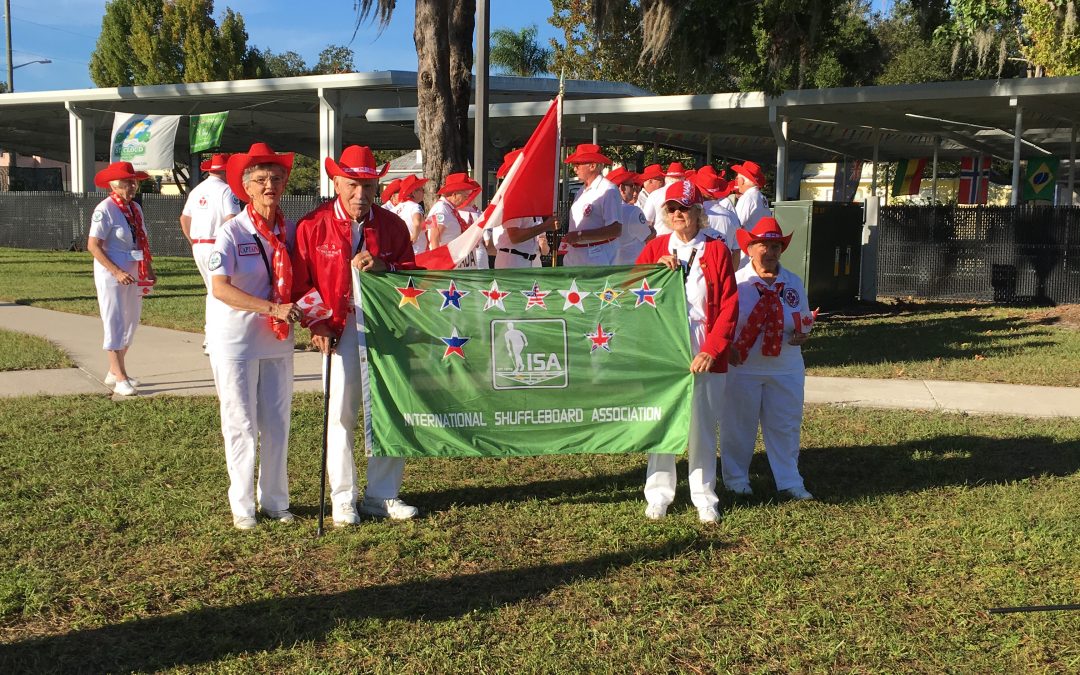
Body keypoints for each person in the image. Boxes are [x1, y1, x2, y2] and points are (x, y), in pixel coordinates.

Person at [292, 145, 419, 526]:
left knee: (391, 409)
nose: (360, 194)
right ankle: (343, 498)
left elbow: (413, 277)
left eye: (367, 185)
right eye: (352, 185)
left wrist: (385, 265)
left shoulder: (392, 225)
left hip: (388, 330)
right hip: (339, 330)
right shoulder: (312, 226)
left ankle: (382, 495)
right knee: (341, 415)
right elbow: (300, 283)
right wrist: (317, 324)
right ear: (336, 182)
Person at [206, 142, 299, 530]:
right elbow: (220, 288)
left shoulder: (290, 230)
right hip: (237, 343)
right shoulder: (231, 232)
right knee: (241, 424)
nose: (269, 186)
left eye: (276, 179)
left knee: (277, 422)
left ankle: (276, 502)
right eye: (260, 179)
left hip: (278, 341)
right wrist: (271, 308)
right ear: (246, 187)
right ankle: (242, 507)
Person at [635, 180, 739, 523]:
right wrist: (651, 271)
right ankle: (659, 494)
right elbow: (628, 288)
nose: (678, 214)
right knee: (664, 421)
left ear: (698, 212)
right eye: (671, 209)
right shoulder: (655, 248)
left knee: (703, 425)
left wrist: (712, 349)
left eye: (684, 208)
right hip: (665, 345)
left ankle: (704, 495)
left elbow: (728, 306)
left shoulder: (716, 250)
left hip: (702, 342)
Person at [721, 217, 814, 501]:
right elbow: (722, 322)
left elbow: (803, 318)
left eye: (776, 246)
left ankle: (789, 480)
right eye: (764, 245)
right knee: (738, 425)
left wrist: (804, 333)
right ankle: (736, 480)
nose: (771, 252)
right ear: (749, 248)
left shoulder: (793, 282)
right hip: (743, 367)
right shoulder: (736, 283)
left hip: (785, 366)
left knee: (785, 424)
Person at [86, 161, 155, 397]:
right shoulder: (104, 209)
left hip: (133, 270)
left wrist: (148, 268)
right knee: (114, 320)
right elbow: (93, 246)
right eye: (127, 182)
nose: (133, 186)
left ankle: (114, 369)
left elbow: (141, 241)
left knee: (131, 321)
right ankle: (120, 376)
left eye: (134, 182)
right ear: (114, 185)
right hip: (112, 273)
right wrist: (116, 271)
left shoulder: (135, 208)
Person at [180, 153, 242, 354]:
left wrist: (193, 241)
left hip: (199, 245)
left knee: (212, 290)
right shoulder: (227, 190)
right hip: (217, 244)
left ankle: (211, 336)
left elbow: (184, 218)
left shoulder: (197, 190)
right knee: (222, 290)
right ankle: (216, 337)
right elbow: (232, 219)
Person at [492, 149, 556, 269]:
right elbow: (515, 236)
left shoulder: (528, 198)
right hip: (513, 260)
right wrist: (545, 226)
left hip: (529, 259)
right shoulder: (512, 196)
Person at [561, 144, 622, 267]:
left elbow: (615, 229)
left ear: (592, 166)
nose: (575, 169)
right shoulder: (582, 190)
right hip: (576, 255)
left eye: (578, 164)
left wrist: (580, 236)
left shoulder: (608, 190)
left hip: (597, 257)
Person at [427, 172, 487, 268]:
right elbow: (434, 237)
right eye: (465, 196)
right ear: (454, 194)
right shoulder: (441, 209)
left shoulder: (449, 209)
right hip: (446, 262)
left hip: (455, 262)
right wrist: (438, 264)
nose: (466, 200)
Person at [693, 169, 742, 270]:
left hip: (698, 272)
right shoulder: (731, 216)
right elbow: (737, 251)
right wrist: (730, 276)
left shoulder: (693, 215)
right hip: (723, 271)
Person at [605, 166, 650, 265]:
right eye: (631, 186)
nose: (634, 190)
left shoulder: (604, 211)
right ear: (622, 188)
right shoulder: (632, 211)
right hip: (633, 269)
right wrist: (652, 229)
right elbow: (648, 236)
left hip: (611, 268)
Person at [732, 161, 772, 231]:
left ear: (742, 181)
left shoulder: (747, 197)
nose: (737, 182)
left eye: (738, 179)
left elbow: (736, 224)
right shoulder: (761, 197)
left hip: (749, 240)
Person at [396, 174, 429, 254]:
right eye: (422, 190)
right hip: (417, 251)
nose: (423, 192)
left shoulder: (396, 209)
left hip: (401, 251)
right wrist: (414, 238)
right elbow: (417, 222)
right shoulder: (415, 206)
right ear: (414, 192)